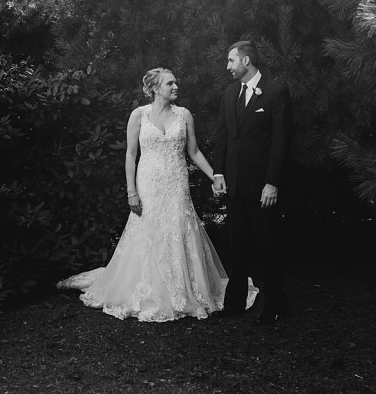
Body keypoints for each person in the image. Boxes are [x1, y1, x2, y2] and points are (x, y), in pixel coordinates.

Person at [58, 68, 247, 321]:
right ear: (156, 88)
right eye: (170, 83)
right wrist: (131, 192)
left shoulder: (184, 115)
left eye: (176, 82)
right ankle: (148, 290)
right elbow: (130, 155)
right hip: (147, 184)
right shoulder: (139, 115)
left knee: (179, 229)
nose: (176, 86)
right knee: (149, 233)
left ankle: (181, 291)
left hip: (176, 182)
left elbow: (194, 152)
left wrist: (215, 175)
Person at [213, 40, 293, 325]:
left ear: (246, 61)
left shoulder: (275, 92)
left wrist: (272, 182)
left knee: (269, 247)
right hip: (234, 186)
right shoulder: (230, 93)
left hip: (262, 189)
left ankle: (275, 305)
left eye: (231, 61)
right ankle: (234, 304)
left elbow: (281, 143)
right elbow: (224, 136)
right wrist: (219, 173)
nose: (228, 67)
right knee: (237, 249)